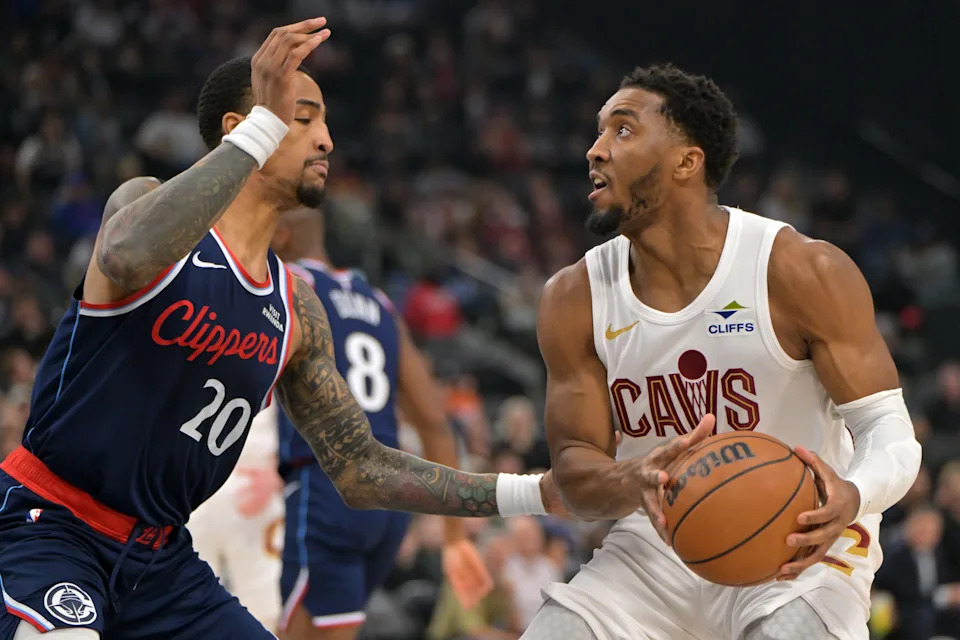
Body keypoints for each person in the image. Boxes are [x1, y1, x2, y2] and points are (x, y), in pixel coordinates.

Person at [0, 20, 597, 640]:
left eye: (324, 122)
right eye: (303, 118)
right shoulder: (145, 207)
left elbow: (362, 469)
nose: (327, 140)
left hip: (160, 561)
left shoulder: (297, 308)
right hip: (49, 522)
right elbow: (124, 256)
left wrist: (536, 492)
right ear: (243, 129)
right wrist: (263, 129)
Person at [525, 64, 922, 640]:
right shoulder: (572, 297)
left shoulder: (798, 268)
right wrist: (630, 477)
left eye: (623, 130)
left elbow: (890, 430)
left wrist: (852, 493)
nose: (595, 150)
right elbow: (576, 469)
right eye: (599, 132)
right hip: (656, 549)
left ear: (688, 161)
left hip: (797, 543)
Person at [268, 206, 494, 638]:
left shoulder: (290, 285)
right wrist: (454, 538)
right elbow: (435, 423)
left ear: (279, 235)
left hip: (328, 489)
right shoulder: (380, 302)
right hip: (389, 506)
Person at [186, 400, 286, 630]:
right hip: (192, 491)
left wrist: (279, 472)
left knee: (267, 607)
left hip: (257, 487)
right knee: (189, 606)